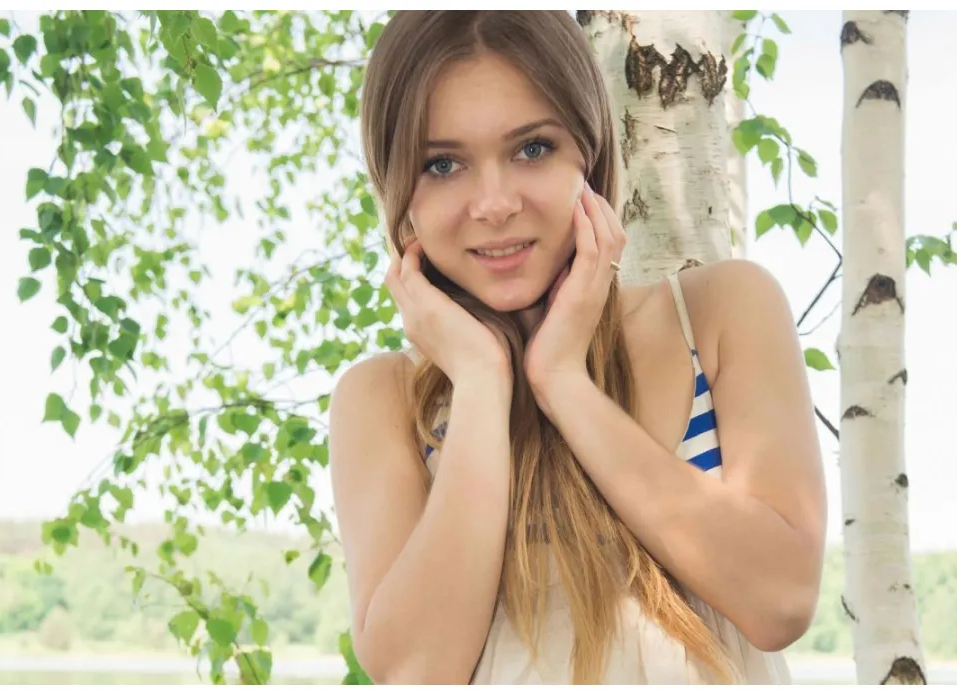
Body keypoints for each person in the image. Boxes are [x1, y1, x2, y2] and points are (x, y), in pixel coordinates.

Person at [328, 10, 827, 686]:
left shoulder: (720, 312)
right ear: (398, 192)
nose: (495, 202)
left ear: (590, 154)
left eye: (531, 148)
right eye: (441, 164)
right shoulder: (383, 400)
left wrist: (563, 382)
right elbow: (420, 668)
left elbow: (780, 600)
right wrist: (478, 381)